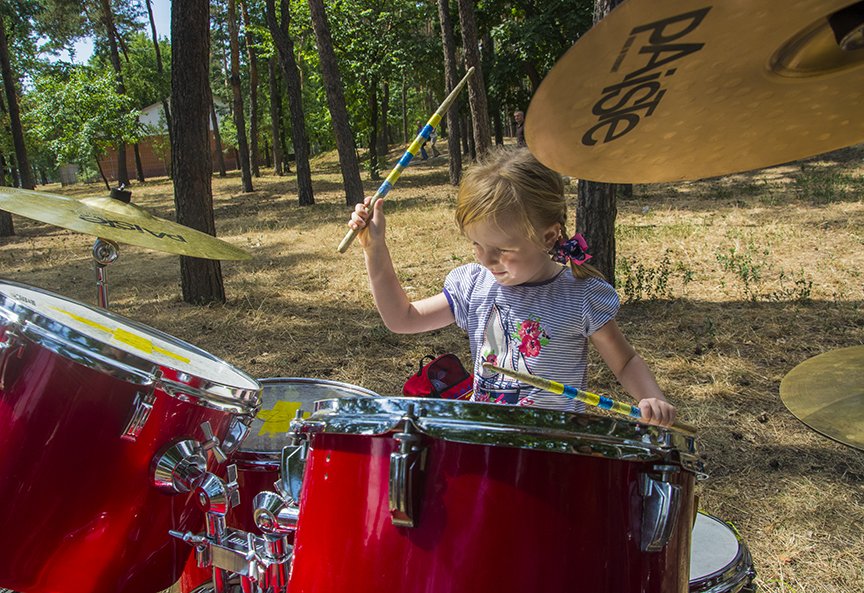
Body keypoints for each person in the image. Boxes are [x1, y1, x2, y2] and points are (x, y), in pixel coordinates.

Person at [347, 148, 676, 426]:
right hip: (488, 446)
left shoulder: (579, 295)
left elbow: (625, 361)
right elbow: (402, 318)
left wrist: (652, 399)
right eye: (477, 244)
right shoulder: (476, 285)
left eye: (502, 250)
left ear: (548, 236)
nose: (487, 260)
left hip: (553, 453)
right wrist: (375, 250)